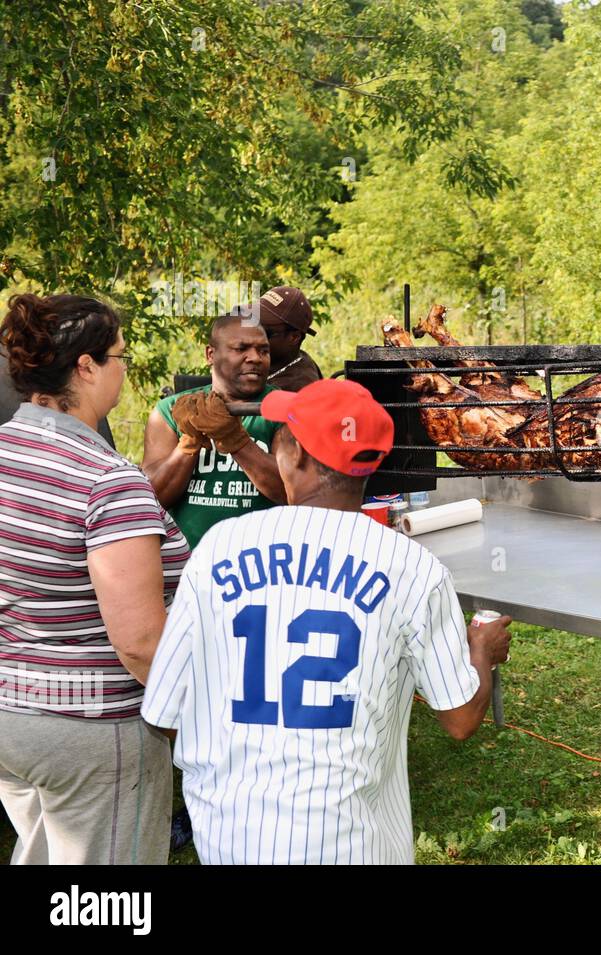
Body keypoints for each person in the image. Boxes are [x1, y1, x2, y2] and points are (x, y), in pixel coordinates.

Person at [141, 378, 512, 864]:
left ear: (292, 456)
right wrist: (481, 650)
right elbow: (461, 719)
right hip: (352, 841)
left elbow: (164, 709)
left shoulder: (218, 547)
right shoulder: (413, 567)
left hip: (229, 835)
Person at [0, 293, 189, 864]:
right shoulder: (107, 480)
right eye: (120, 356)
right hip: (91, 728)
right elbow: (140, 644)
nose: (125, 370)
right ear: (86, 366)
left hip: (11, 716)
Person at [142, 312, 287, 549]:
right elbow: (151, 501)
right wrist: (189, 442)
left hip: (262, 560)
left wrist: (236, 440)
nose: (255, 358)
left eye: (263, 350)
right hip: (189, 563)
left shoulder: (286, 408)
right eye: (241, 348)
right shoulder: (171, 411)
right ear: (211, 354)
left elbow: (290, 492)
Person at [257, 286, 323, 392]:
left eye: (263, 332)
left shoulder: (295, 389)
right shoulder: (280, 361)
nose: (250, 335)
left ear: (294, 337)